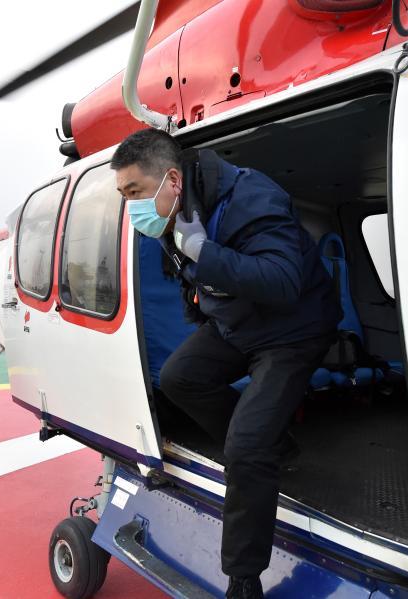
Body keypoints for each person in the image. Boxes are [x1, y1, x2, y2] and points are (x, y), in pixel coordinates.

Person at [112, 129, 341, 598]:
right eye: (122, 195)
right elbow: (187, 279)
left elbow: (281, 281)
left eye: (133, 192)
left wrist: (204, 252)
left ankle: (243, 577)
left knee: (245, 446)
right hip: (239, 324)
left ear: (171, 179)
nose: (129, 206)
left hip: (292, 329)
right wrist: (200, 306)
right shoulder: (170, 213)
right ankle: (276, 445)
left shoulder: (249, 197)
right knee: (179, 377)